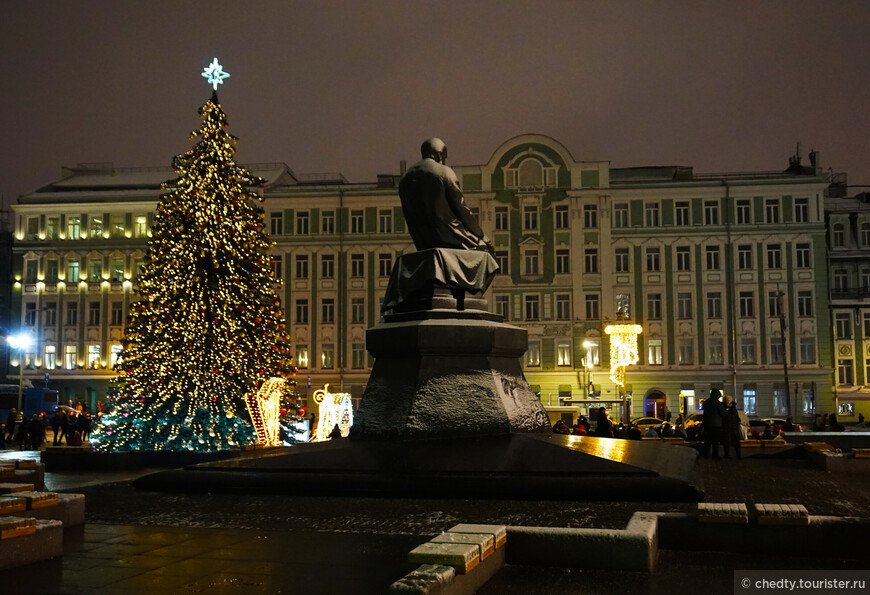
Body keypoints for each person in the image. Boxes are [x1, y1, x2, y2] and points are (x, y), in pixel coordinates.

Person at [398, 138, 494, 254]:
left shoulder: (404, 179)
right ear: (439, 155)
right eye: (444, 157)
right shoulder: (444, 172)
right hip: (447, 235)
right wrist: (480, 235)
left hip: (422, 240)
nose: (444, 161)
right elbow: (461, 209)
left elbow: (407, 213)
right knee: (484, 250)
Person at [702, 389, 726, 458]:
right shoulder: (718, 403)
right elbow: (723, 413)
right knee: (715, 441)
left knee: (708, 440)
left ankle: (705, 454)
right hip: (716, 425)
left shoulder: (706, 402)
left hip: (707, 424)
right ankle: (715, 455)